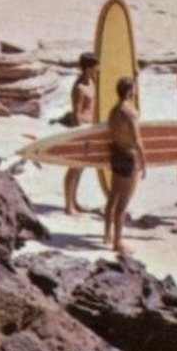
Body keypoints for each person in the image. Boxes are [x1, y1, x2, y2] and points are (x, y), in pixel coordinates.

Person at [104, 75, 146, 255]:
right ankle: (118, 243)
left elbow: (112, 133)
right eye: (134, 88)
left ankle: (107, 235)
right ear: (130, 91)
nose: (135, 91)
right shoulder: (130, 112)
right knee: (123, 203)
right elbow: (137, 140)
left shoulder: (113, 111)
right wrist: (144, 161)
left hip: (116, 154)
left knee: (112, 197)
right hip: (130, 158)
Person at [62, 53, 98, 215]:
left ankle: (74, 200)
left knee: (81, 168)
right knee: (74, 167)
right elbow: (76, 112)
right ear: (89, 67)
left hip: (90, 128)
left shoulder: (92, 81)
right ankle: (68, 206)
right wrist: (79, 134)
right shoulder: (79, 88)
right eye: (96, 66)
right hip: (81, 129)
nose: (98, 69)